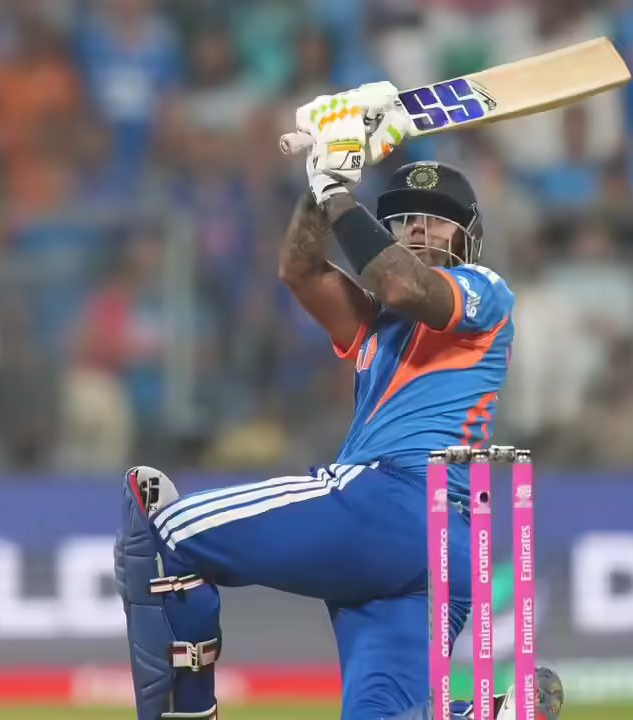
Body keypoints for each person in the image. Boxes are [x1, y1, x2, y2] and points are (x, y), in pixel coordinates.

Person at [116, 87, 563, 720]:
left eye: (437, 218)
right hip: (438, 551)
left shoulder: (482, 289)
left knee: (166, 534)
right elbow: (300, 272)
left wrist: (335, 190)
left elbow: (401, 283)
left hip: (399, 500)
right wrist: (327, 172)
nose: (417, 227)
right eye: (404, 218)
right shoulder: (379, 322)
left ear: (468, 237)